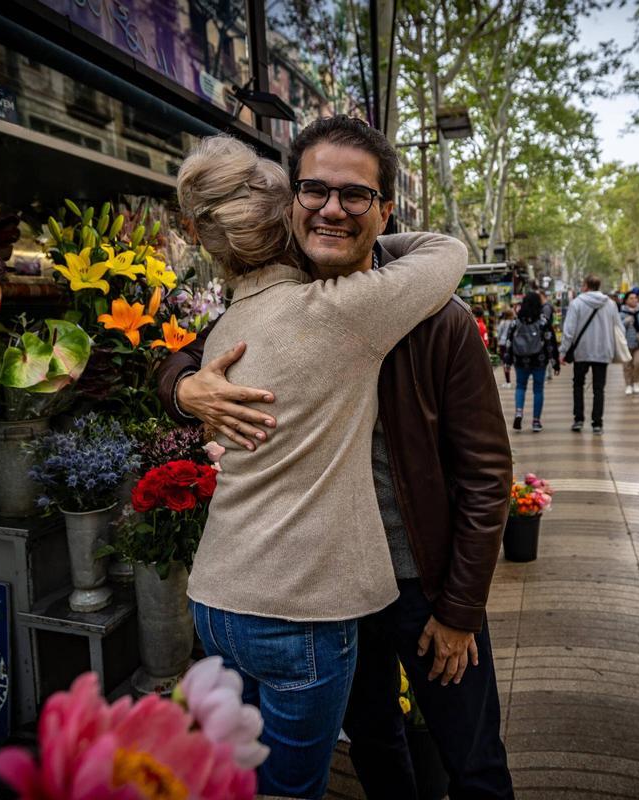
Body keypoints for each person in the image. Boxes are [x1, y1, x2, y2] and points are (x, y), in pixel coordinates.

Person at [158, 117, 514, 799]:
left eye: (356, 196)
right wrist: (184, 389)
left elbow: (486, 473)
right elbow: (181, 359)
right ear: (290, 201)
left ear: (386, 210)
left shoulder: (436, 320)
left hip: (421, 581)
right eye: (313, 190)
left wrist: (462, 607)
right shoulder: (279, 297)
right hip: (331, 592)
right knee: (377, 746)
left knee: (471, 759)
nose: (330, 208)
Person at [560, 275, 620, 434]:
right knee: (599, 389)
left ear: (586, 286)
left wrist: (563, 351)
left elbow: (569, 331)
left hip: (582, 351)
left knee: (578, 385)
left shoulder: (577, 303)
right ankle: (597, 424)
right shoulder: (611, 304)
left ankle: (578, 420)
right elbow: (618, 328)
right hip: (603, 352)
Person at [505, 292, 561, 432]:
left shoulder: (516, 322)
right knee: (538, 390)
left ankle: (519, 412)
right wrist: (554, 362)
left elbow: (508, 342)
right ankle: (536, 422)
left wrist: (507, 361)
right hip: (539, 360)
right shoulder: (542, 321)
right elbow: (550, 342)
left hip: (520, 360)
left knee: (520, 387)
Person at [495, 309, 515, 388]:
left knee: (505, 362)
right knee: (511, 361)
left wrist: (498, 342)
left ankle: (508, 381)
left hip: (503, 344)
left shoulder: (502, 323)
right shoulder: (513, 323)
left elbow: (499, 334)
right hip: (512, 343)